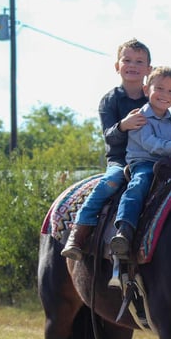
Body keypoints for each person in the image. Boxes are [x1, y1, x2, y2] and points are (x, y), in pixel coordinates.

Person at [61, 38, 153, 260]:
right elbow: (109, 136)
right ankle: (78, 233)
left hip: (150, 158)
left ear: (148, 69)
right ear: (117, 66)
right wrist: (123, 126)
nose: (133, 65)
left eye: (139, 61)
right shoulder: (110, 100)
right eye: (127, 60)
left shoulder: (153, 98)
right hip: (121, 161)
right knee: (106, 186)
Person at [109, 65, 171, 259]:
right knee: (140, 183)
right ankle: (124, 229)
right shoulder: (139, 118)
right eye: (159, 88)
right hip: (144, 162)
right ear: (146, 89)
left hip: (169, 165)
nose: (164, 94)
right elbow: (150, 144)